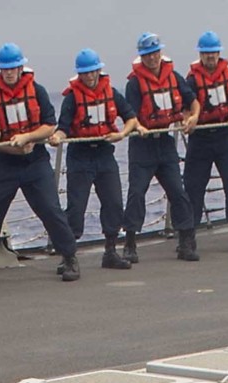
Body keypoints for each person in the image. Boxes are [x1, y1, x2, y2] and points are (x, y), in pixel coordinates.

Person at [0, 43, 80, 282]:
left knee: (50, 209)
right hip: (4, 162)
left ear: (21, 67)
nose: (10, 72)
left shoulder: (37, 91)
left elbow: (48, 125)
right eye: (5, 69)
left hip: (35, 162)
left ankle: (69, 257)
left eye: (13, 68)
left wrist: (28, 138)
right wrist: (8, 146)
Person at [55, 49, 135, 270]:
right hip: (79, 155)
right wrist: (56, 137)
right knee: (76, 207)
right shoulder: (71, 98)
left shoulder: (111, 92)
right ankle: (68, 257)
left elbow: (130, 118)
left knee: (114, 202)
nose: (90, 77)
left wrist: (121, 134)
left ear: (100, 70)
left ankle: (110, 251)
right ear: (79, 75)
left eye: (93, 72)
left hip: (104, 153)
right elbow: (63, 128)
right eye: (85, 73)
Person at [181, 31, 228, 258]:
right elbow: (185, 106)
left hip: (226, 135)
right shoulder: (192, 80)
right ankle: (187, 238)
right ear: (200, 55)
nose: (210, 58)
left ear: (219, 53)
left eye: (213, 53)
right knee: (193, 187)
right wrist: (188, 119)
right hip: (201, 138)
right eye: (206, 54)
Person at [122, 33, 194, 263]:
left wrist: (191, 117)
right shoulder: (134, 84)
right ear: (141, 57)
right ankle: (130, 242)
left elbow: (191, 100)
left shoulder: (174, 77)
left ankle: (185, 241)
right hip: (142, 145)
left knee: (178, 192)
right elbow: (130, 114)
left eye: (155, 53)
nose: (152, 58)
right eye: (147, 55)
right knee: (136, 193)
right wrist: (139, 127)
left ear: (160, 54)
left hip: (165, 142)